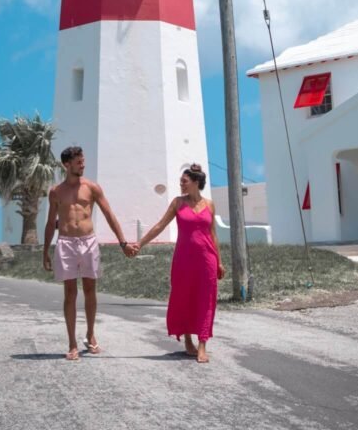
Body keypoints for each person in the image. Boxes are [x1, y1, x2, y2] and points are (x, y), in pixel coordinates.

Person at [43, 145, 133, 361]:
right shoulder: (56, 191)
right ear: (67, 165)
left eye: (83, 161)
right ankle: (72, 343)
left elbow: (109, 214)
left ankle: (91, 334)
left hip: (88, 241)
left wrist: (123, 242)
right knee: (70, 292)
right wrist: (45, 250)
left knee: (90, 289)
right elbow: (49, 223)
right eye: (78, 162)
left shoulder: (92, 188)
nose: (83, 165)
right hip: (65, 242)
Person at [134, 164, 224, 363]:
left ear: (196, 182)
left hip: (206, 259)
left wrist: (219, 261)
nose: (180, 185)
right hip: (184, 260)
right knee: (184, 298)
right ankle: (188, 341)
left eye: (184, 181)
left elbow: (213, 235)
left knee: (206, 299)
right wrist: (140, 244)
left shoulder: (209, 205)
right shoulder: (177, 203)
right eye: (180, 182)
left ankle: (202, 344)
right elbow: (159, 225)